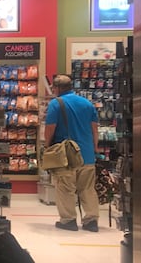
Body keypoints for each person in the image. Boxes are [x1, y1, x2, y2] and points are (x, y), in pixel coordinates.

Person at [44, 74, 100, 232]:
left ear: (56, 88)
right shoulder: (87, 103)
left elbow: (50, 128)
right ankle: (91, 221)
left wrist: (47, 147)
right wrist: (94, 148)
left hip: (66, 155)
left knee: (65, 187)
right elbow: (94, 128)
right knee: (87, 188)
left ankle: (68, 220)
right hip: (87, 153)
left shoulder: (56, 104)